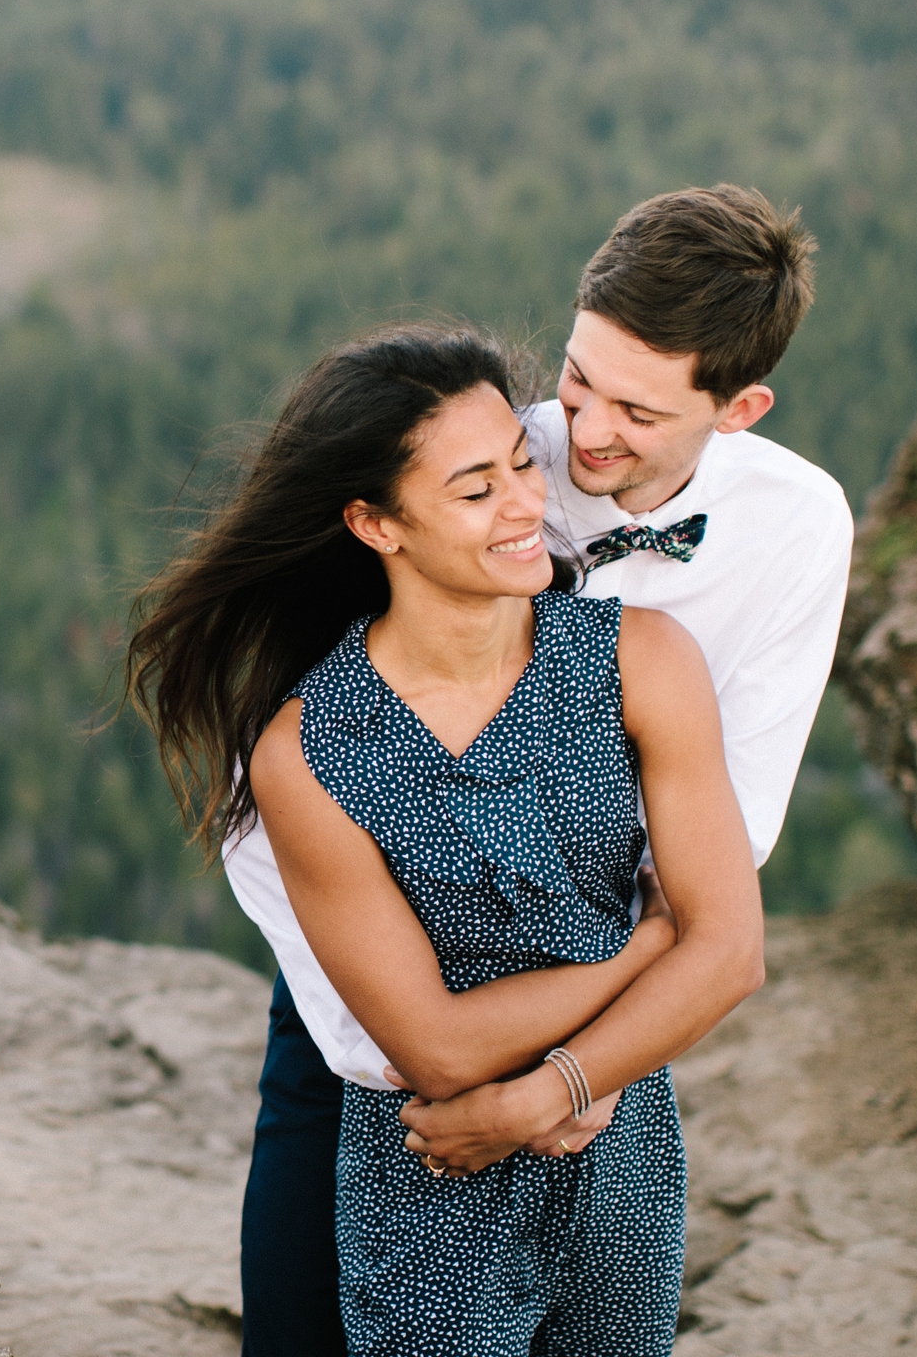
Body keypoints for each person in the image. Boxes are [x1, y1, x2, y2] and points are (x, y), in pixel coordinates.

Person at [218, 185, 853, 1351]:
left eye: (637, 410)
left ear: (741, 408)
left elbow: (726, 856)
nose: (582, 434)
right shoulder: (486, 460)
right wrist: (461, 1057)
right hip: (373, 981)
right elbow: (345, 726)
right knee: (303, 1319)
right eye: (578, 378)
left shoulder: (797, 527)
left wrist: (579, 1073)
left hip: (603, 962)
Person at [127, 320, 766, 1354]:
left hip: (622, 1165)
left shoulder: (643, 659)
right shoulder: (308, 751)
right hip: (433, 1189)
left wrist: (545, 1095)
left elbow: (733, 955)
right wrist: (650, 947)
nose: (528, 507)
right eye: (475, 491)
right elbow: (434, 1042)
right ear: (376, 525)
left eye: (522, 464)